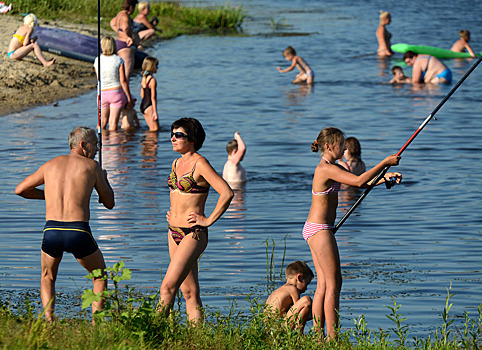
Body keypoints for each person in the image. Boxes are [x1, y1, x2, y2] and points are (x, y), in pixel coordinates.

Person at [304, 127, 402, 340]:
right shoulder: (325, 169)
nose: (344, 148)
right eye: (341, 144)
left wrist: (385, 178)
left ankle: (318, 336)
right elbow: (358, 182)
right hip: (320, 230)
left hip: (317, 228)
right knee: (334, 283)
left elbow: (362, 182)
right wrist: (384, 163)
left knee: (324, 283)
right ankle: (333, 337)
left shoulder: (334, 166)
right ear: (329, 146)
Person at [14, 126, 115, 321]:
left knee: (47, 276)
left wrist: (50, 196)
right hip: (78, 231)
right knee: (100, 276)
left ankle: (49, 321)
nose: (97, 150)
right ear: (83, 145)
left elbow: (20, 190)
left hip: (52, 230)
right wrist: (105, 180)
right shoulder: (92, 167)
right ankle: (96, 323)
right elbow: (109, 203)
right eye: (96, 144)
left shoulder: (50, 164)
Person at [158, 118, 234, 322]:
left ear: (192, 139)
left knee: (167, 287)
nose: (173, 138)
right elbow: (178, 195)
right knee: (189, 292)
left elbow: (226, 193)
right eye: (172, 134)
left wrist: (207, 220)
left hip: (193, 234)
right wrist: (172, 213)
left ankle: (150, 334)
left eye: (178, 135)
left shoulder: (200, 163)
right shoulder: (176, 162)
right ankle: (197, 338)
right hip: (172, 231)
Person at [94, 36, 134, 131]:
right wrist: (129, 97)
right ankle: (113, 144)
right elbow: (123, 80)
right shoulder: (118, 60)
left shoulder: (97, 60)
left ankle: (101, 143)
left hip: (102, 93)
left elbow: (99, 78)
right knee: (113, 123)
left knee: (102, 122)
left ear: (102, 46)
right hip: (116, 92)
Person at [265, 261, 314, 332]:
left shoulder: (279, 291)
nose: (306, 288)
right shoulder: (292, 289)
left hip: (270, 328)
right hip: (278, 328)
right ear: (299, 278)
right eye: (306, 283)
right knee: (306, 300)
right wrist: (317, 313)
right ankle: (298, 334)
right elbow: (298, 313)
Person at [110, 0, 139, 79]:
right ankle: (125, 91)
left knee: (120, 73)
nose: (134, 10)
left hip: (119, 42)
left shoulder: (119, 14)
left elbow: (112, 22)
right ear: (130, 7)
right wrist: (128, 37)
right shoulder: (125, 16)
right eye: (134, 8)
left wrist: (118, 31)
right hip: (125, 46)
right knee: (126, 75)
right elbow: (125, 28)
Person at [140, 56, 159, 132]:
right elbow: (153, 97)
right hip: (149, 105)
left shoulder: (143, 79)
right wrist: (155, 112)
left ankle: (146, 143)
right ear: (152, 67)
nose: (157, 68)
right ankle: (151, 144)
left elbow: (142, 95)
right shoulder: (152, 80)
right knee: (154, 130)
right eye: (156, 66)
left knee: (151, 129)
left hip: (143, 105)